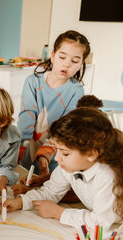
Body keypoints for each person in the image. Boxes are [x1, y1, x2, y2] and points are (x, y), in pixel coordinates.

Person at [0, 108, 123, 233]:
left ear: (91, 154)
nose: (57, 158)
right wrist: (20, 202)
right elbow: (50, 192)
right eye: (57, 150)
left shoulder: (108, 176)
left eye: (65, 153)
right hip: (122, 223)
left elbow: (100, 222)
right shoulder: (69, 165)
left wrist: (59, 213)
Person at [17, 30, 91, 174]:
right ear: (52, 56)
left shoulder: (76, 90)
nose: (67, 64)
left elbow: (66, 128)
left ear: (81, 64)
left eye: (75, 61)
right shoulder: (32, 82)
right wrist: (20, 147)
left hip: (56, 153)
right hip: (27, 147)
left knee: (47, 187)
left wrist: (46, 153)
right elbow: (27, 115)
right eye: (62, 57)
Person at [12, 95, 103, 197]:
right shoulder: (74, 160)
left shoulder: (103, 172)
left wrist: (32, 191)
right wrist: (43, 178)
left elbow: (76, 194)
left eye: (65, 153)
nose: (57, 157)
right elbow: (64, 177)